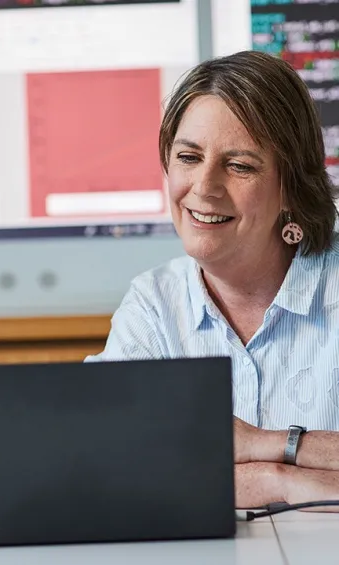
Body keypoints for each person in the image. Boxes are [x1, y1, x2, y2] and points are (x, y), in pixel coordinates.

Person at [87, 50, 339, 509]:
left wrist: (270, 446)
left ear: (291, 186)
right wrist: (278, 479)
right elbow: (102, 459)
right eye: (188, 156)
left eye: (240, 165)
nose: (204, 186)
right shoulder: (154, 304)